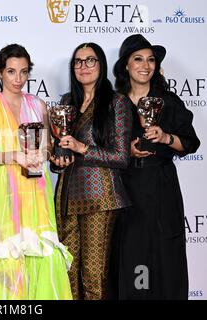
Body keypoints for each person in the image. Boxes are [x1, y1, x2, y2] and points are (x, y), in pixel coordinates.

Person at [0, 44, 73, 300]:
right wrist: (18, 156)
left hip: (37, 186)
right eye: (12, 72)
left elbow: (48, 146)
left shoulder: (39, 105)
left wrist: (45, 153)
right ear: (0, 73)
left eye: (24, 72)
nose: (18, 79)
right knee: (9, 254)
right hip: (6, 187)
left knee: (41, 249)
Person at [111, 34, 200, 299]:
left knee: (165, 255)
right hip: (126, 189)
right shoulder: (114, 104)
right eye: (138, 59)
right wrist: (125, 150)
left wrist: (165, 138)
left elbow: (191, 143)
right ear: (126, 65)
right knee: (132, 257)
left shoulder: (169, 102)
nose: (145, 65)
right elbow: (101, 147)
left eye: (151, 60)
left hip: (162, 188)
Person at [53, 42, 133, 300]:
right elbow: (62, 150)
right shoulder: (67, 102)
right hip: (67, 195)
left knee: (93, 274)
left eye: (90, 60)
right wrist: (59, 159)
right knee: (68, 271)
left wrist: (81, 147)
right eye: (78, 61)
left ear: (101, 65)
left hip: (100, 197)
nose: (83, 66)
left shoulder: (116, 102)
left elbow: (121, 157)